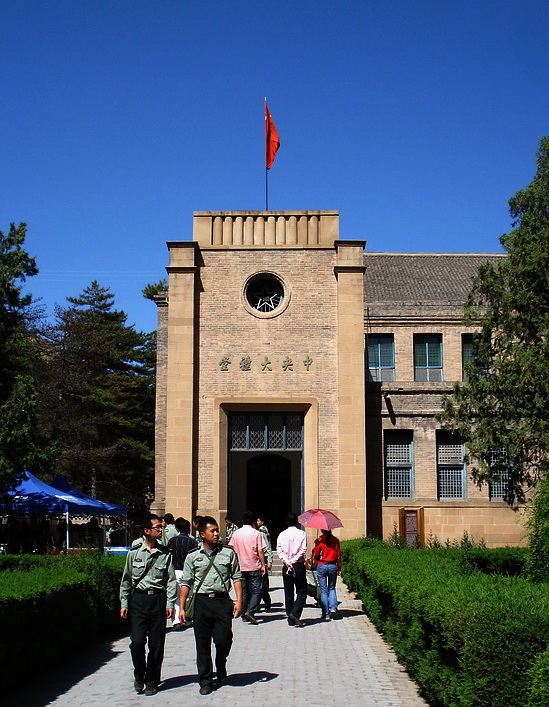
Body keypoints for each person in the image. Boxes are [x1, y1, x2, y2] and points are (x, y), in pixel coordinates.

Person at [180, 516, 243, 696]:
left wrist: (239, 600)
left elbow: (236, 577)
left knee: (224, 640)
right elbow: (186, 582)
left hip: (222, 602)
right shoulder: (193, 556)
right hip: (201, 602)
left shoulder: (228, 553)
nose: (216, 534)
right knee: (202, 644)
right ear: (202, 534)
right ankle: (206, 679)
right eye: (212, 531)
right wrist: (182, 607)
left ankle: (221, 661)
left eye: (217, 530)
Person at [120, 514, 177, 696]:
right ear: (147, 531)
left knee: (157, 643)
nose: (161, 530)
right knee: (137, 642)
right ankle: (139, 673)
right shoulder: (134, 552)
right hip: (139, 600)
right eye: (157, 527)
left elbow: (170, 581)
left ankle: (152, 679)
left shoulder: (165, 554)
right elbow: (126, 579)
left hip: (158, 600)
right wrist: (124, 602)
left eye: (161, 527)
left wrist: (170, 603)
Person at [228, 511, 266, 624]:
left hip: (240, 566)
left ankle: (244, 613)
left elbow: (231, 548)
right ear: (253, 521)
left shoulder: (236, 533)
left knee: (243, 592)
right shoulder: (256, 533)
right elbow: (260, 550)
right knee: (257, 591)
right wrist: (263, 565)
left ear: (242, 521)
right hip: (254, 566)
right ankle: (250, 611)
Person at [276, 512, 308, 627]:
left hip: (287, 566)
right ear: (297, 522)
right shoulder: (302, 534)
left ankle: (290, 616)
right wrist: (293, 561)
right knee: (302, 591)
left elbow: (279, 550)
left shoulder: (281, 534)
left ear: (286, 522)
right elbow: (303, 549)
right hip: (297, 565)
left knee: (288, 592)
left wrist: (287, 561)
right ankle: (295, 613)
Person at [168, 517, 197, 630]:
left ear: (177, 528)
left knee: (176, 596)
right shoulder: (192, 541)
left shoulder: (172, 541)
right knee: (188, 596)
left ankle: (176, 621)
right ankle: (186, 618)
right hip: (187, 572)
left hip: (174, 571)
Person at [313, 529, 342, 620]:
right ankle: (333, 608)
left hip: (322, 565)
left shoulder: (320, 540)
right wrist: (339, 567)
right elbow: (338, 555)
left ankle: (326, 614)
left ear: (322, 530)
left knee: (324, 590)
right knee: (332, 588)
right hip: (333, 565)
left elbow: (316, 554)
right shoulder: (335, 540)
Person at [256, 515, 273, 611]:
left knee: (263, 584)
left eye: (258, 520)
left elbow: (267, 547)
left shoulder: (263, 533)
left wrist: (269, 560)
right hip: (259, 560)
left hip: (263, 559)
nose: (257, 522)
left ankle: (266, 602)